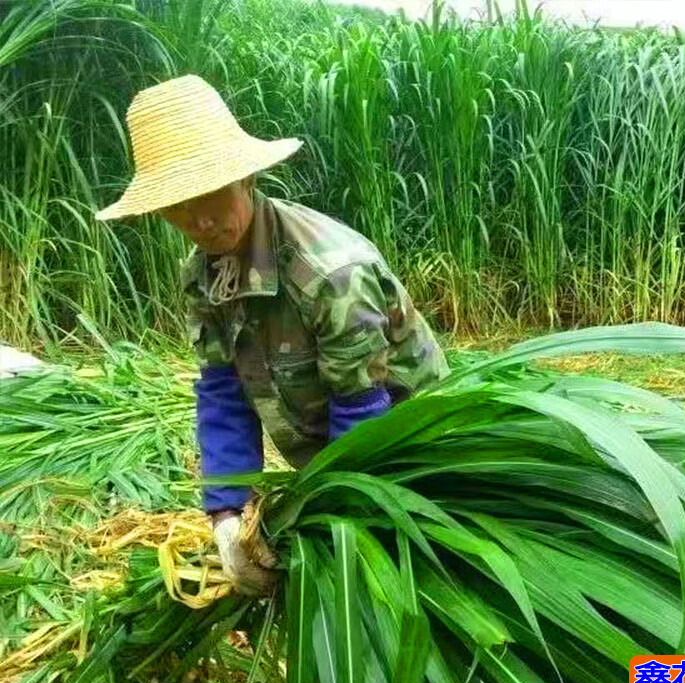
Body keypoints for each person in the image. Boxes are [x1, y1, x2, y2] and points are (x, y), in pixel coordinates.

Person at [95, 75, 450, 593]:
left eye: (210, 193)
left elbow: (361, 412)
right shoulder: (202, 277)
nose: (199, 220)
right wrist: (228, 512)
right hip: (328, 453)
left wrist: (329, 520)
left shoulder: (329, 274)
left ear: (246, 179)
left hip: (412, 452)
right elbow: (222, 389)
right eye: (176, 205)